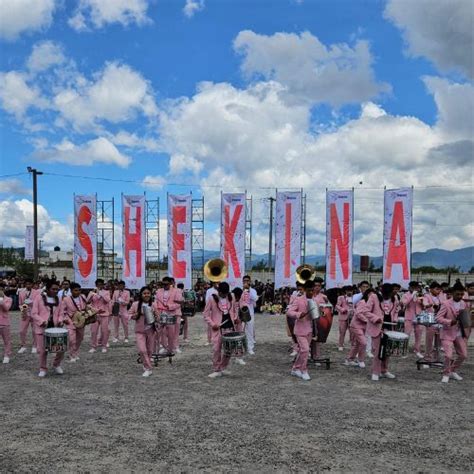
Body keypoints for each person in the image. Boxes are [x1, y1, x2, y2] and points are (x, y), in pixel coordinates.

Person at [362, 283, 399, 381]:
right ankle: (375, 372)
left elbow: (395, 311)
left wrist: (394, 319)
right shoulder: (374, 297)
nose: (390, 295)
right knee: (378, 351)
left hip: (389, 326)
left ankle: (384, 370)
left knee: (387, 351)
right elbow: (366, 311)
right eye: (389, 294)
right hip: (377, 327)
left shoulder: (394, 299)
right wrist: (376, 318)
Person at [203, 281, 238, 378]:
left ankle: (222, 368)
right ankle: (216, 369)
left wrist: (235, 318)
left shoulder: (232, 297)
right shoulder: (211, 298)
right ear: (219, 291)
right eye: (222, 293)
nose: (223, 295)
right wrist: (213, 324)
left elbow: (235, 310)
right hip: (218, 328)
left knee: (228, 350)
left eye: (225, 294)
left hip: (230, 327)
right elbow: (205, 315)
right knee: (216, 349)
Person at [31, 280, 65, 377]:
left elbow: (61, 313)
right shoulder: (39, 298)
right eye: (53, 289)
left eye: (57, 289)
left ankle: (56, 364)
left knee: (61, 349)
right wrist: (41, 321)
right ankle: (43, 368)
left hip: (55, 328)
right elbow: (34, 313)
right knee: (42, 350)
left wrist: (60, 320)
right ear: (47, 289)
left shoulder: (59, 299)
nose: (55, 291)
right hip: (42, 328)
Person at [436, 281, 468, 383]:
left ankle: (452, 370)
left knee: (463, 355)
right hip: (447, 333)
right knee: (448, 355)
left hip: (459, 333)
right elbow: (438, 318)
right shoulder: (445, 304)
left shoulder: (464, 303)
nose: (460, 296)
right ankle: (446, 373)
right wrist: (450, 322)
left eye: (461, 294)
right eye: (457, 294)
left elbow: (465, 318)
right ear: (453, 293)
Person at [286, 280, 314, 381]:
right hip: (300, 329)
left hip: (310, 329)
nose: (311, 292)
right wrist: (298, 314)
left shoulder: (314, 300)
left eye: (313, 290)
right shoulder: (298, 299)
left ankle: (295, 368)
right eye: (310, 290)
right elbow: (289, 312)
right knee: (306, 350)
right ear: (305, 290)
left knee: (303, 351)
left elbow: (316, 314)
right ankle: (304, 370)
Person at [129, 286, 156, 377]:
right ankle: (148, 368)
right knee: (142, 350)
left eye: (148, 293)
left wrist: (155, 315)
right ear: (141, 294)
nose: (146, 295)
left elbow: (159, 317)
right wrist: (135, 315)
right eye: (144, 293)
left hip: (151, 331)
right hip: (139, 331)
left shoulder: (154, 304)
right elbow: (129, 315)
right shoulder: (135, 304)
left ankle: (146, 364)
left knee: (149, 351)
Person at [154, 277, 183, 354]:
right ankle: (164, 346)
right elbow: (155, 302)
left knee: (175, 331)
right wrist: (156, 311)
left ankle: (175, 346)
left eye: (166, 284)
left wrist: (169, 306)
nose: (164, 286)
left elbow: (179, 303)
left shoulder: (177, 291)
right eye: (163, 284)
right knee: (163, 332)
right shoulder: (159, 291)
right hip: (162, 313)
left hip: (175, 313)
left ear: (170, 284)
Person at [60, 283, 87, 362]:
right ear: (71, 291)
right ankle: (71, 354)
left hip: (81, 320)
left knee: (80, 338)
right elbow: (62, 311)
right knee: (72, 339)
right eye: (75, 290)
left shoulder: (82, 297)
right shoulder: (66, 299)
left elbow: (86, 306)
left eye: (79, 290)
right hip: (70, 320)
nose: (78, 292)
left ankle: (76, 352)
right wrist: (65, 319)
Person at [87, 279, 111, 353]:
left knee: (104, 331)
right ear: (96, 284)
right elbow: (87, 301)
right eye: (98, 284)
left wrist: (100, 293)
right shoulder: (92, 292)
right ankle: (93, 346)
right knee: (93, 331)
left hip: (104, 314)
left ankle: (104, 346)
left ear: (103, 285)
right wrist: (91, 294)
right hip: (95, 314)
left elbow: (107, 300)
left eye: (101, 284)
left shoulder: (106, 292)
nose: (99, 286)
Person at [401, 281, 424, 358]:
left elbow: (423, 307)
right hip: (409, 317)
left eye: (416, 287)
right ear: (409, 288)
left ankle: (417, 350)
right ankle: (404, 351)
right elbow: (405, 304)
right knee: (406, 335)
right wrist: (412, 295)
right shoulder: (405, 295)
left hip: (418, 317)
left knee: (418, 335)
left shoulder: (419, 295)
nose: (415, 289)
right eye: (413, 287)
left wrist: (422, 300)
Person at [18, 278, 40, 354]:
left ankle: (34, 346)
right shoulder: (21, 292)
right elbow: (20, 304)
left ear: (32, 285)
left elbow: (38, 303)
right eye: (27, 284)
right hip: (25, 313)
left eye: (30, 284)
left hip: (34, 313)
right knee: (22, 331)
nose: (28, 285)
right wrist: (23, 309)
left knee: (34, 331)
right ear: (25, 285)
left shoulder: (37, 292)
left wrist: (32, 302)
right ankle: (23, 346)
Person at [422, 281, 442, 362]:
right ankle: (427, 358)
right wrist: (428, 305)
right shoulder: (427, 296)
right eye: (437, 289)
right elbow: (425, 303)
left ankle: (436, 358)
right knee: (429, 340)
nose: (438, 291)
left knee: (439, 341)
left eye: (439, 289)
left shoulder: (440, 297)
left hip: (439, 321)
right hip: (430, 320)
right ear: (431, 289)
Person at [241, 275, 258, 355]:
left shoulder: (253, 291)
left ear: (250, 281)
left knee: (250, 331)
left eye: (247, 280)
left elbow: (255, 298)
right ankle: (241, 346)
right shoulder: (240, 290)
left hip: (250, 313)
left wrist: (248, 290)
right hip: (240, 313)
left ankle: (250, 347)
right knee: (240, 330)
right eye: (244, 280)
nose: (246, 282)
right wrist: (243, 290)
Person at [336, 285, 354, 351]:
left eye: (351, 291)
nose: (350, 292)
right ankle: (340, 345)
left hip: (352, 317)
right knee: (342, 332)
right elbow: (337, 306)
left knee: (352, 333)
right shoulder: (341, 297)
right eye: (348, 290)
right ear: (345, 291)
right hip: (343, 317)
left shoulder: (355, 298)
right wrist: (343, 310)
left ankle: (353, 346)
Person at [0, 281, 13, 364]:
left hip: (4, 322)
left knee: (6, 340)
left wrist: (1, 301)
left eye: (1, 288)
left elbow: (6, 309)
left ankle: (7, 355)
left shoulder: (9, 299)